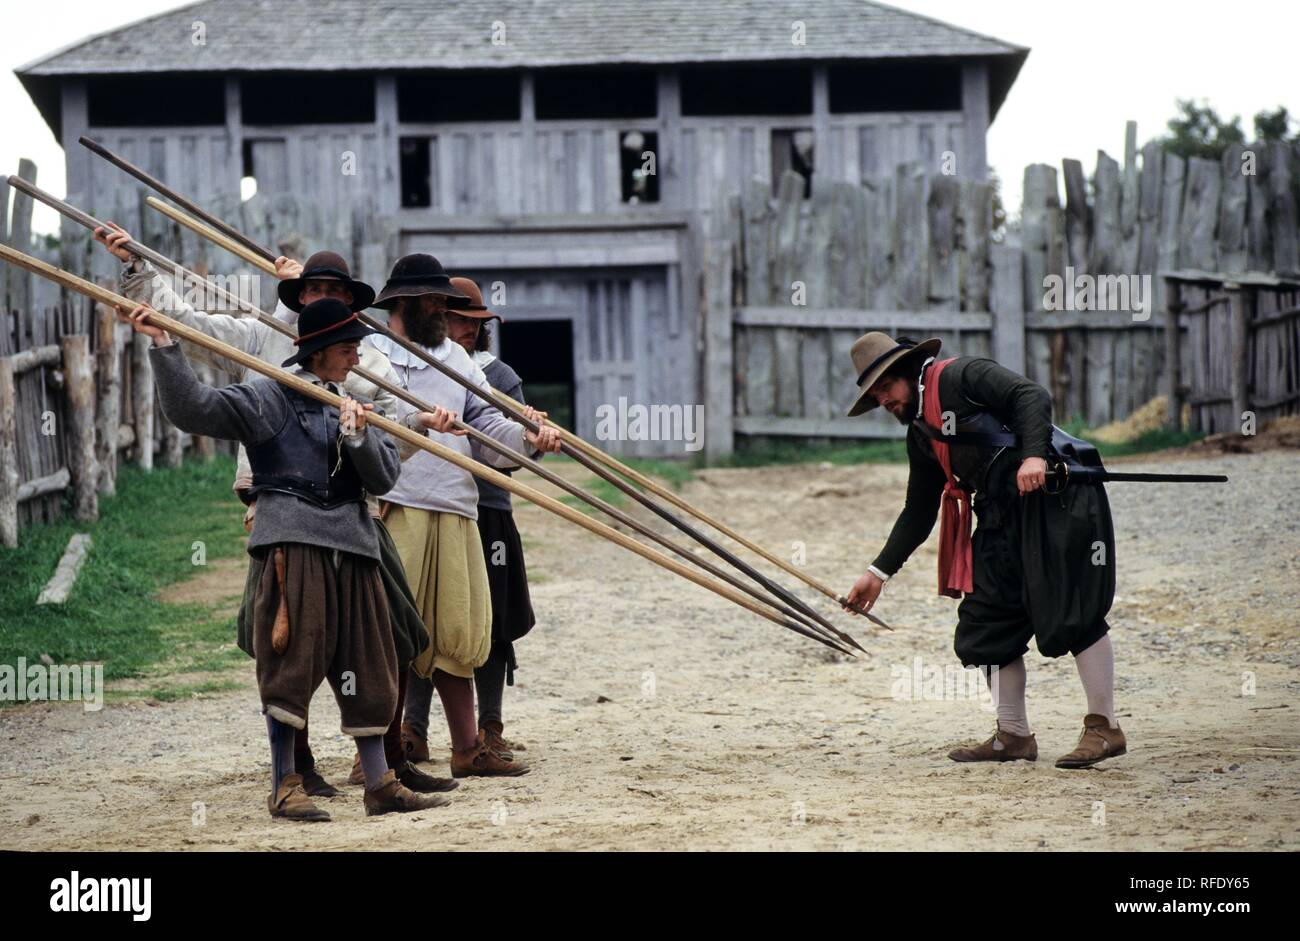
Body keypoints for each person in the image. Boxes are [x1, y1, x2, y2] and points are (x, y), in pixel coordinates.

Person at [94, 226, 458, 798]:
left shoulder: (364, 374)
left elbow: (386, 466)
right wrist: (161, 340)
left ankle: (380, 778)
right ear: (307, 322)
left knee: (374, 647)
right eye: (313, 290)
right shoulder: (265, 379)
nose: (354, 351)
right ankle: (289, 778)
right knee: (290, 652)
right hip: (288, 530)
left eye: (333, 292)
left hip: (356, 532)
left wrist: (373, 434)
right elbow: (193, 394)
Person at [842, 333, 1124, 769]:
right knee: (986, 620)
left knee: (1070, 609)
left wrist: (1033, 457)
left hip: (1054, 499)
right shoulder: (921, 433)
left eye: (884, 387)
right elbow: (919, 509)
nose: (882, 400)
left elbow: (1030, 395)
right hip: (997, 513)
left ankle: (1104, 727)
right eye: (875, 394)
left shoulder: (963, 376)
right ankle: (1013, 735)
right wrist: (877, 573)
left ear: (907, 372)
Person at [365, 253, 559, 778]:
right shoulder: (370, 355)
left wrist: (527, 437)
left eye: (442, 301)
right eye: (431, 300)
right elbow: (365, 425)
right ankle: (382, 755)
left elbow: (488, 429)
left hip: (455, 505)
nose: (440, 309)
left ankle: (467, 749)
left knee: (458, 633)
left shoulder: (460, 361)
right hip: (396, 504)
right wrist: (417, 420)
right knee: (392, 633)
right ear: (402, 303)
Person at [444, 276, 538, 759]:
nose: (465, 330)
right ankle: (412, 731)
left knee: (496, 624)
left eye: (473, 323)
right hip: (438, 507)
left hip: (490, 512)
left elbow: (516, 445)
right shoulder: (422, 367)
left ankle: (491, 728)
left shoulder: (498, 376)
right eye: (457, 320)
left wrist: (534, 436)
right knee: (428, 625)